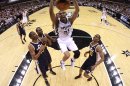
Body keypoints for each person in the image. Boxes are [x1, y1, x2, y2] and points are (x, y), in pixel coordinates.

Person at [49, 0, 80, 70]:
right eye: (60, 13)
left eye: (63, 13)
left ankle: (73, 60)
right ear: (59, 15)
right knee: (67, 55)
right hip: (61, 41)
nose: (62, 14)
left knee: (77, 54)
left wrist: (74, 1)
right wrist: (51, 1)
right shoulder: (57, 23)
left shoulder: (70, 20)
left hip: (69, 39)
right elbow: (51, 12)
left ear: (66, 14)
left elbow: (77, 10)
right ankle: (62, 62)